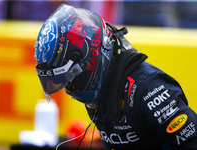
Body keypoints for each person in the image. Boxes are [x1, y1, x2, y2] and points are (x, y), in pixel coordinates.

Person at [34, 4, 197, 150]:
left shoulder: (150, 90)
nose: (70, 88)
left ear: (89, 61)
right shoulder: (104, 88)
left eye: (70, 78)